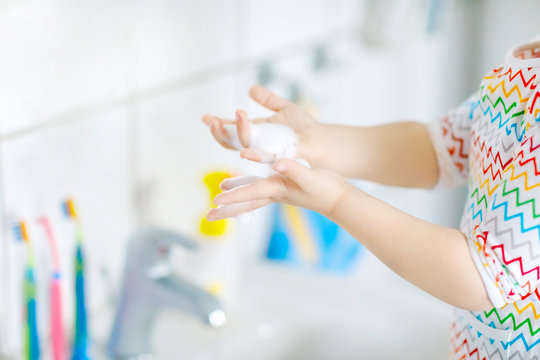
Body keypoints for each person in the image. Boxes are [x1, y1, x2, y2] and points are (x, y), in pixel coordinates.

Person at [202, 35, 540, 359]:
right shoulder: (525, 67)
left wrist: (338, 201)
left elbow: (486, 279)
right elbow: (443, 148)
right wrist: (321, 142)